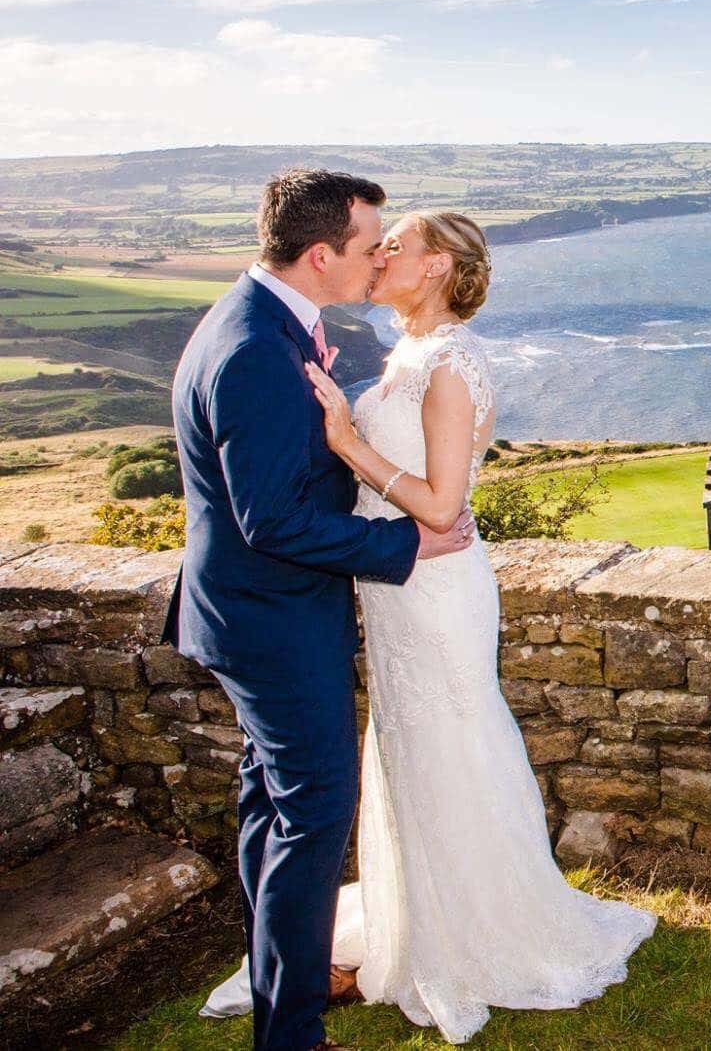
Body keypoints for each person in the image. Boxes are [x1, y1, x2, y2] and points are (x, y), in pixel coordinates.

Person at [203, 209, 654, 1045]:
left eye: (396, 247)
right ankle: (418, 917)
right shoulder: (405, 352)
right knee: (408, 752)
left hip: (437, 589)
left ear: (439, 266)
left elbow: (443, 505)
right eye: (377, 246)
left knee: (452, 743)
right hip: (395, 589)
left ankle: (484, 931)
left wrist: (348, 440)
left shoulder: (452, 361)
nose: (380, 257)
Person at [168, 169, 477, 1051]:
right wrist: (401, 546)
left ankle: (292, 983)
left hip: (250, 611)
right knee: (309, 817)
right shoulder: (254, 349)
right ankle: (294, 1035)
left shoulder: (263, 321)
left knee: (272, 809)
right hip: (272, 618)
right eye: (369, 244)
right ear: (319, 254)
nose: (381, 255)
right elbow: (272, 518)